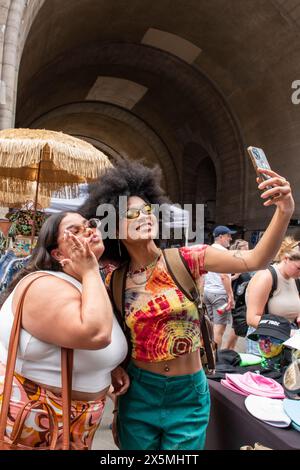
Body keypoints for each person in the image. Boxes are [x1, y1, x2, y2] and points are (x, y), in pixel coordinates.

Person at [80, 159, 294, 450]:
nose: (144, 216)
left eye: (147, 209)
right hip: (139, 393)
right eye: (131, 212)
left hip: (188, 394)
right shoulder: (114, 282)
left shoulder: (187, 259)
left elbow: (254, 260)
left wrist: (284, 211)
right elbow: (111, 337)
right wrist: (115, 369)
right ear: (114, 227)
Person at [0, 211, 129, 450]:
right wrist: (90, 269)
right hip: (36, 426)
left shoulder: (87, 284)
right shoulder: (45, 284)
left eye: (88, 225)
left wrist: (107, 367)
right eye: (75, 231)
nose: (89, 230)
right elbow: (95, 334)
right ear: (58, 254)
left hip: (76, 427)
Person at [246, 236, 300, 331]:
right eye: (298, 268)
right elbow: (252, 319)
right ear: (286, 259)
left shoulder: (295, 279)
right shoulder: (266, 277)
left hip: (288, 335)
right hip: (265, 337)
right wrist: (286, 330)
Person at [203, 226, 236, 349]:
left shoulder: (207, 250)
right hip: (219, 295)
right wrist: (230, 296)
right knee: (219, 330)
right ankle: (215, 360)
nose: (230, 239)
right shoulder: (223, 252)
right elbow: (223, 276)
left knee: (210, 327)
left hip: (208, 293)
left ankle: (208, 357)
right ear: (221, 237)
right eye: (228, 236)